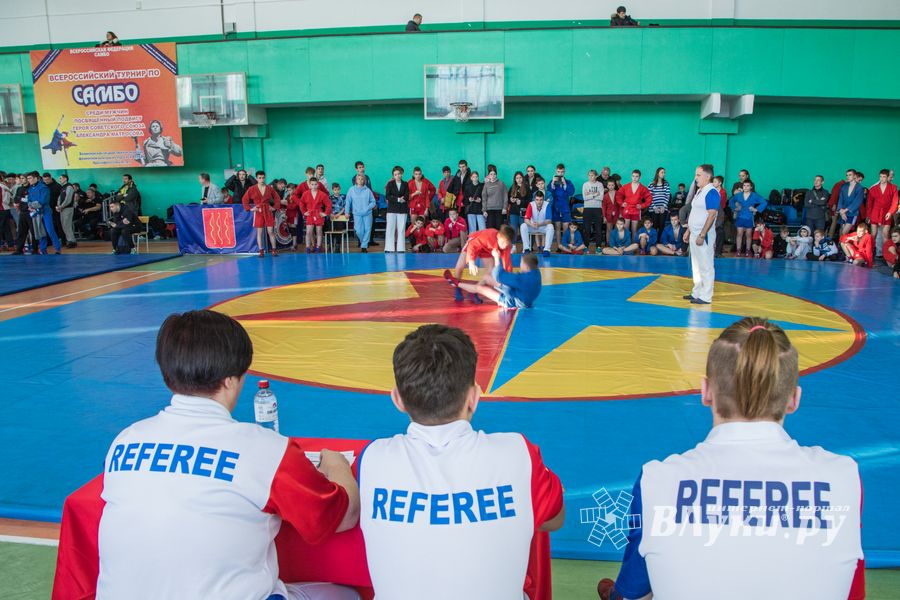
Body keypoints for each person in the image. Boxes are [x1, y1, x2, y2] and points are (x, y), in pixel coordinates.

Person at [97, 310, 360, 599]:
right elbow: (342, 517)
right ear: (232, 380)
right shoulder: (266, 449)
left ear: (167, 374)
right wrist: (337, 465)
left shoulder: (125, 441)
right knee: (348, 593)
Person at [600, 317, 864, 600]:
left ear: (705, 392)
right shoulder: (842, 477)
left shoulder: (658, 479)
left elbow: (634, 594)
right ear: (793, 399)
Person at [359, 325, 563, 598]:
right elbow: (554, 518)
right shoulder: (518, 453)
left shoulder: (372, 459)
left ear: (398, 399)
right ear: (474, 397)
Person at [455, 252, 543, 308]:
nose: (520, 265)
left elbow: (499, 275)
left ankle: (456, 284)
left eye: (521, 263)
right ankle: (472, 293)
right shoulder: (536, 273)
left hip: (512, 301)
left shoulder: (522, 279)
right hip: (521, 295)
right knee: (487, 278)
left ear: (527, 267)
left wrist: (496, 258)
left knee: (480, 288)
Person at [684, 164, 718, 305]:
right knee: (696, 265)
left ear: (707, 176)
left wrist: (703, 234)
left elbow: (712, 215)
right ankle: (696, 292)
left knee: (706, 265)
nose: (695, 178)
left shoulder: (711, 192)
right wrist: (688, 230)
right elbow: (695, 213)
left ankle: (706, 296)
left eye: (698, 175)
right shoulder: (700, 192)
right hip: (694, 233)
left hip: (703, 236)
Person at [448, 224, 515, 287]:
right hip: (475, 241)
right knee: (460, 266)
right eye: (503, 243)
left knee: (490, 271)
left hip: (487, 249)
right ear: (498, 236)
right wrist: (471, 262)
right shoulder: (488, 236)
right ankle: (457, 286)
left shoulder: (507, 247)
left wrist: (509, 281)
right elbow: (472, 246)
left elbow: (507, 264)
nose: (504, 246)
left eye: (506, 244)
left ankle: (476, 290)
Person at [242, 170, 279, 257]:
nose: (261, 179)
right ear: (256, 178)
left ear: (265, 178)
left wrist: (274, 207)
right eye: (259, 178)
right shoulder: (252, 189)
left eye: (263, 178)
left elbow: (277, 198)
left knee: (271, 231)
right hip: (258, 211)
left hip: (267, 211)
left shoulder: (269, 188)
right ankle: (261, 250)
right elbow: (244, 199)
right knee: (260, 232)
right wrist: (250, 209)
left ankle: (274, 250)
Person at [728, 180, 767, 257]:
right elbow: (731, 201)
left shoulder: (754, 195)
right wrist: (735, 208)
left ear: (751, 187)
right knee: (739, 234)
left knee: (748, 234)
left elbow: (764, 202)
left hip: (749, 217)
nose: (745, 187)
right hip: (740, 217)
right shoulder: (739, 195)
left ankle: (747, 250)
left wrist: (756, 209)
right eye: (744, 185)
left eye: (747, 186)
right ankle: (738, 250)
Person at [865, 169, 898, 256]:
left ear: (888, 177)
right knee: (874, 234)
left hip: (887, 213)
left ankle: (887, 254)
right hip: (875, 212)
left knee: (885, 233)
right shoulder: (873, 188)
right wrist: (868, 215)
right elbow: (869, 203)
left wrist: (890, 212)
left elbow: (895, 202)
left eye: (884, 177)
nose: (882, 179)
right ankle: (869, 253)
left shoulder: (893, 187)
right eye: (880, 176)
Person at [615, 170, 652, 240]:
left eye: (637, 176)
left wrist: (642, 205)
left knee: (634, 230)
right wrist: (621, 203)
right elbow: (618, 195)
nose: (635, 178)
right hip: (627, 209)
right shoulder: (626, 186)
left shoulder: (642, 188)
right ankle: (625, 245)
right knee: (625, 229)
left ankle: (633, 246)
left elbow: (649, 198)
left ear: (640, 177)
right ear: (631, 176)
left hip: (636, 210)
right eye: (633, 176)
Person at [298, 178, 332, 253]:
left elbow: (328, 204)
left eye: (315, 184)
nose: (314, 186)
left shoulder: (322, 194)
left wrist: (325, 213)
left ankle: (318, 247)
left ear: (318, 185)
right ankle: (307, 247)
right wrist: (304, 212)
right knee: (308, 231)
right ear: (309, 185)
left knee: (319, 231)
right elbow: (301, 203)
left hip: (318, 214)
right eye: (312, 184)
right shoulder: (305, 193)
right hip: (310, 214)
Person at [345, 174, 376, 253]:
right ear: (356, 180)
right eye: (358, 179)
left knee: (367, 229)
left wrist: (368, 208)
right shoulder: (351, 190)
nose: (360, 180)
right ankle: (364, 242)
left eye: (362, 179)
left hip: (368, 213)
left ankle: (364, 246)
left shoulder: (368, 190)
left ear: (364, 180)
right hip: (357, 213)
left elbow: (373, 202)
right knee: (358, 230)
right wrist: (347, 212)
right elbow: (348, 202)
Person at [547, 164, 574, 250]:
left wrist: (565, 183)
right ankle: (559, 246)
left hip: (565, 208)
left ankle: (565, 245)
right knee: (557, 228)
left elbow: (571, 192)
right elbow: (548, 192)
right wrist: (552, 183)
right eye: (559, 172)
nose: (560, 173)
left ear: (564, 172)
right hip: (556, 208)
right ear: (556, 171)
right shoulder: (552, 182)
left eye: (562, 172)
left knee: (566, 228)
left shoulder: (568, 182)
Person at [520, 190, 554, 257]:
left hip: (542, 226)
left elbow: (549, 220)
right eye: (537, 200)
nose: (539, 202)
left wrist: (539, 224)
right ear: (534, 199)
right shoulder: (531, 204)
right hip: (532, 226)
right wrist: (532, 224)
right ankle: (526, 248)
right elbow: (526, 220)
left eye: (541, 200)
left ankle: (546, 249)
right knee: (523, 226)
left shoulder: (547, 204)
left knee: (551, 226)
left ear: (543, 199)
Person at [384, 166, 409, 253]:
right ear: (393, 176)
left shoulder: (405, 184)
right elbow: (387, 196)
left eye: (399, 174)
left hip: (402, 209)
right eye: (395, 174)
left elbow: (407, 195)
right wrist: (398, 199)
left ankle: (401, 248)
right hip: (391, 209)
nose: (397, 176)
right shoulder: (390, 184)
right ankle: (389, 248)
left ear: (401, 174)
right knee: (390, 228)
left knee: (401, 229)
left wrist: (403, 199)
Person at [582, 169, 604, 252]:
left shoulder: (600, 185)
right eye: (589, 175)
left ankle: (598, 246)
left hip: (597, 208)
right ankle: (586, 246)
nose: (591, 177)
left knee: (598, 228)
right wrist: (595, 194)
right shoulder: (585, 185)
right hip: (587, 208)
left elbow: (601, 198)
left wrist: (590, 195)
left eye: (592, 175)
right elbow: (585, 198)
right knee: (586, 228)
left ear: (596, 176)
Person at [836, 171, 864, 236]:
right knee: (841, 231)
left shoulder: (859, 188)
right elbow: (840, 199)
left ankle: (843, 245)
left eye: (850, 175)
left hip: (852, 213)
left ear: (854, 176)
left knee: (844, 232)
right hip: (842, 212)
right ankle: (840, 245)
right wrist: (840, 210)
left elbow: (857, 202)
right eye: (847, 175)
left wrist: (845, 210)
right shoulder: (843, 186)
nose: (848, 176)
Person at [507, 171, 530, 243]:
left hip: (523, 212)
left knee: (524, 229)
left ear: (523, 178)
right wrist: (511, 200)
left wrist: (521, 202)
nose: (519, 179)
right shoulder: (512, 187)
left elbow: (529, 201)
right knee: (513, 229)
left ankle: (525, 246)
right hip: (513, 212)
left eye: (520, 178)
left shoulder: (527, 187)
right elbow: (508, 199)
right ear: (515, 179)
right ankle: (513, 245)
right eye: (517, 178)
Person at [647, 167, 670, 234]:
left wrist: (663, 206)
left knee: (661, 225)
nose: (664, 174)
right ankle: (654, 241)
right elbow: (649, 197)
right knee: (654, 225)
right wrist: (654, 207)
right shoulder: (651, 184)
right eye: (662, 172)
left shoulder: (666, 184)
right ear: (657, 174)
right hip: (653, 208)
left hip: (663, 208)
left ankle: (660, 241)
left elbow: (667, 196)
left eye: (664, 172)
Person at [57, 173, 77, 248]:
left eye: (61, 178)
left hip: (68, 208)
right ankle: (69, 240)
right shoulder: (63, 187)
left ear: (65, 179)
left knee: (67, 225)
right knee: (64, 225)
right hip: (63, 208)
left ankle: (72, 241)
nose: (60, 180)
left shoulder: (69, 187)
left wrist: (61, 206)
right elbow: (60, 198)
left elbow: (68, 199)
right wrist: (59, 206)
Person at [601, 179, 620, 251]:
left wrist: (621, 214)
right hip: (608, 214)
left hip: (617, 214)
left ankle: (616, 243)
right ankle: (608, 243)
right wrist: (604, 216)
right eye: (609, 185)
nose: (611, 186)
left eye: (612, 185)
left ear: (614, 185)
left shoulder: (618, 193)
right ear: (607, 186)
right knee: (609, 230)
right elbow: (603, 207)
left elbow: (620, 205)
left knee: (617, 229)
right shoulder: (605, 195)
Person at [0, 173, 14, 250]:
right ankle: (10, 245)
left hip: (1, 209)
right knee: (6, 228)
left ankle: (2, 245)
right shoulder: (5, 186)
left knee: (3, 228)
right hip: (6, 209)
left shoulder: (1, 186)